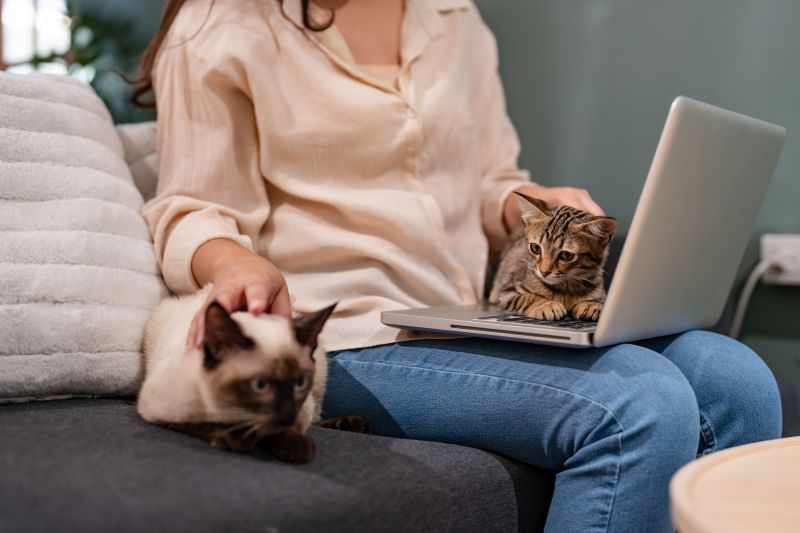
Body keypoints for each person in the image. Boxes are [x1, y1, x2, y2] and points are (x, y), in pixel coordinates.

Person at [138, 1, 782, 531]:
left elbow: (488, 179)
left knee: (739, 380)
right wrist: (233, 262)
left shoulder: (453, 17)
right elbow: (190, 206)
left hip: (463, 315)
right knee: (641, 402)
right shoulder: (221, 23)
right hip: (348, 334)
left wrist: (529, 204)